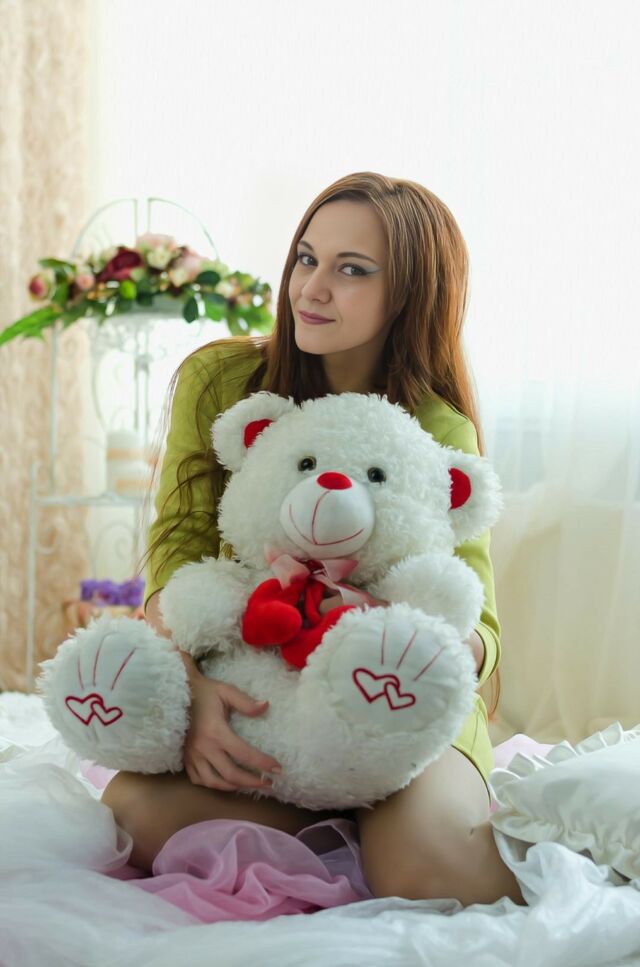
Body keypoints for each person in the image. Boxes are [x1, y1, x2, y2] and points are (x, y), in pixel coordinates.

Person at [102, 171, 525, 908]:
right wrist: (192, 690)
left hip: (393, 700)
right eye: (306, 258)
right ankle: (332, 812)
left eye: (351, 270)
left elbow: (480, 628)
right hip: (264, 692)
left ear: (410, 294)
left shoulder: (438, 424)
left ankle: (386, 820)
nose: (312, 288)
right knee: (129, 818)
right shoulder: (223, 380)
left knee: (431, 876)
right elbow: (178, 553)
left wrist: (395, 635)